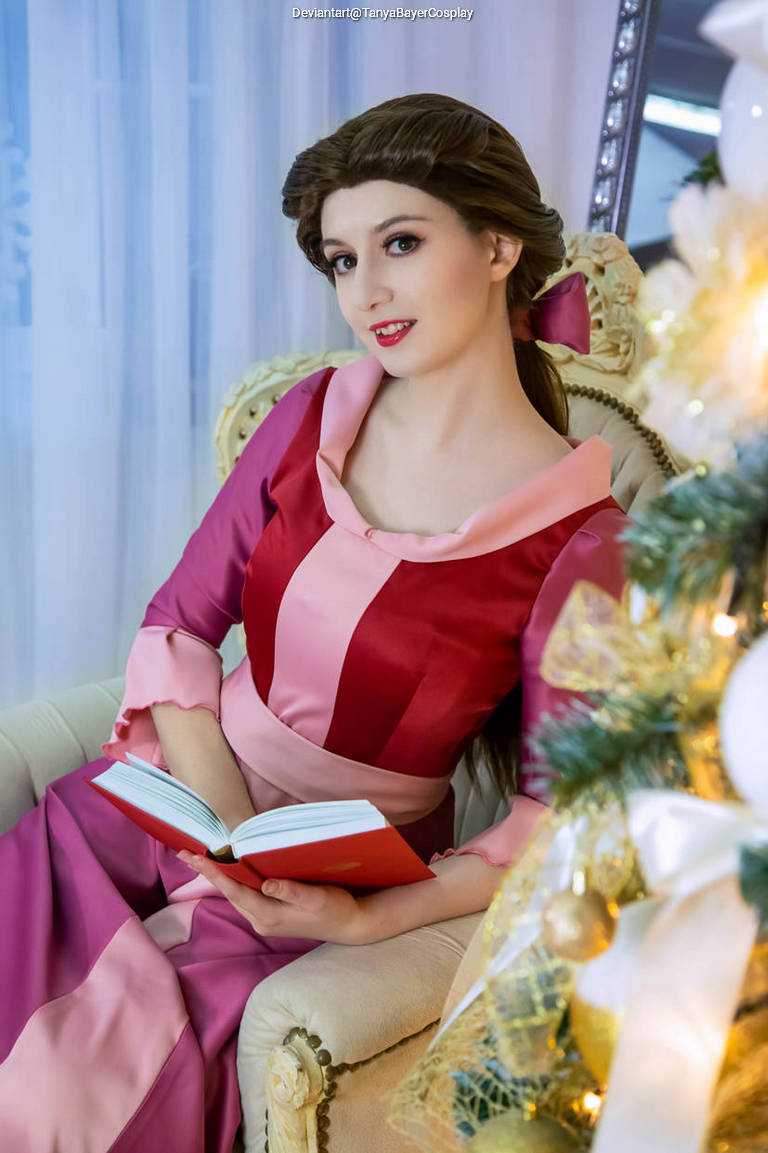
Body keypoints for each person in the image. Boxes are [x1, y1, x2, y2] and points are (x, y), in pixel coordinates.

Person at [0, 93, 629, 1152]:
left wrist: (363, 918)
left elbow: (551, 821)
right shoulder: (312, 416)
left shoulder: (580, 538)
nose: (365, 290)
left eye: (399, 242)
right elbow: (179, 628)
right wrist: (225, 825)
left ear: (497, 246)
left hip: (319, 887)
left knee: (60, 1100)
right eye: (341, 259)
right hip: (161, 804)